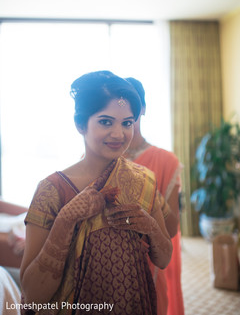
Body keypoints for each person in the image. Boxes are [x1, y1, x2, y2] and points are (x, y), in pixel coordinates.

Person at [20, 70, 173, 315]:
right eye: (105, 121)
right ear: (81, 124)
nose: (118, 134)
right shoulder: (51, 190)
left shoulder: (143, 180)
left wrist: (151, 227)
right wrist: (66, 220)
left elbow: (164, 260)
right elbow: (32, 293)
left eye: (127, 123)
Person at [125, 77, 184, 315]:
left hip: (149, 261)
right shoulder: (97, 160)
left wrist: (151, 197)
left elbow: (170, 229)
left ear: (143, 109)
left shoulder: (166, 161)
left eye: (133, 108)